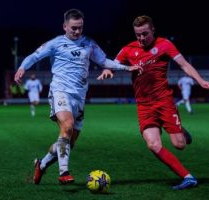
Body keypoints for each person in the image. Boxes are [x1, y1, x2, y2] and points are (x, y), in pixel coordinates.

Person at [14, 8, 142, 185]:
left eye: (80, 27)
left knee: (68, 142)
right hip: (60, 90)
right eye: (73, 28)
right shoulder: (56, 43)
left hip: (79, 96)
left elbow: (104, 61)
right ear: (64, 26)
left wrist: (127, 68)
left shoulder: (89, 43)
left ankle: (41, 165)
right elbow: (35, 56)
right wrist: (22, 68)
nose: (77, 31)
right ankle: (64, 172)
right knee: (67, 126)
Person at [98, 15, 209, 190]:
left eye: (145, 34)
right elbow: (113, 65)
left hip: (164, 101)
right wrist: (107, 71)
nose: (141, 38)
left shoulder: (165, 44)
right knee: (153, 144)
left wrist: (201, 80)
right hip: (144, 105)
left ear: (153, 30)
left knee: (179, 145)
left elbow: (184, 65)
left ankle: (180, 130)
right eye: (138, 35)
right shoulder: (128, 49)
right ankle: (188, 177)